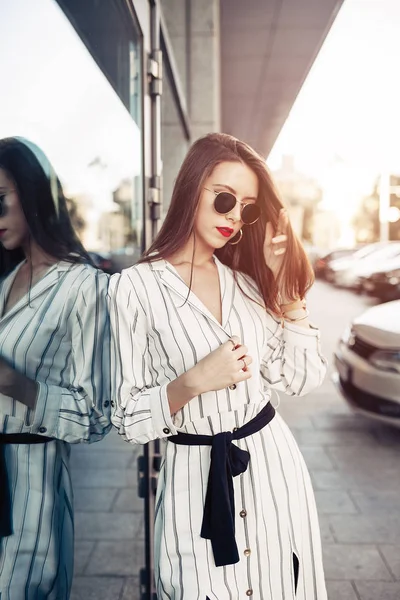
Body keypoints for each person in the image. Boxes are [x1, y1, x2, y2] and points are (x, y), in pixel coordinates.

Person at [109, 133, 328, 599]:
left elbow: (300, 379)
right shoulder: (134, 288)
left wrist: (287, 295)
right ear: (191, 188)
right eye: (225, 199)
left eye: (246, 208)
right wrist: (191, 383)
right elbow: (127, 420)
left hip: (273, 468)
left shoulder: (248, 286)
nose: (234, 216)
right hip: (192, 479)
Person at [0, 137, 111, 599]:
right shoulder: (5, 278)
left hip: (32, 487)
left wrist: (15, 383)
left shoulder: (83, 286)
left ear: (32, 194)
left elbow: (96, 417)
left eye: (0, 201)